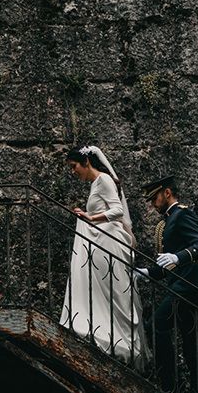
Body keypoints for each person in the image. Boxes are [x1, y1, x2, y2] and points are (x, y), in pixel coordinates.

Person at [59, 146, 146, 367]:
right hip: (101, 242)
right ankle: (105, 333)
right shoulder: (95, 185)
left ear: (86, 161)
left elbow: (117, 211)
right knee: (104, 293)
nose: (73, 171)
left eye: (74, 166)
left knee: (115, 293)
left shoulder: (104, 180)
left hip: (110, 242)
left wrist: (90, 217)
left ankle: (121, 342)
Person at [134, 175, 198, 393]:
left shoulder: (182, 214)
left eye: (154, 197)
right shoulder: (166, 222)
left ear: (167, 193)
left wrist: (179, 257)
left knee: (156, 325)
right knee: (193, 347)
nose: (152, 204)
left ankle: (170, 387)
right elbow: (166, 263)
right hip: (181, 286)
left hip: (188, 287)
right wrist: (147, 272)